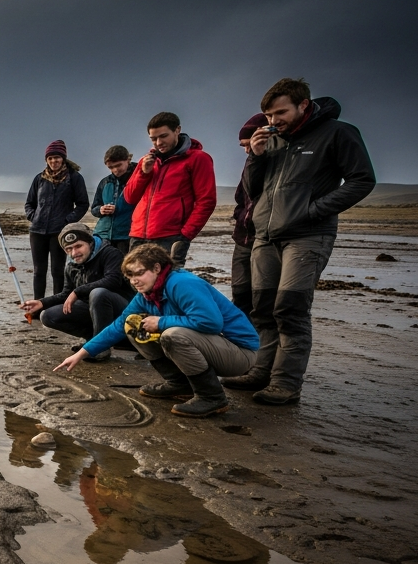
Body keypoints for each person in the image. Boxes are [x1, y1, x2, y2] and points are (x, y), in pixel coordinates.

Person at [231, 79, 375, 405]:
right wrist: (255, 156)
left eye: (280, 112)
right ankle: (259, 372)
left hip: (308, 236)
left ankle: (285, 384)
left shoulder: (338, 133)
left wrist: (315, 211)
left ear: (303, 105)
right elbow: (253, 191)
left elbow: (362, 179)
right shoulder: (273, 140)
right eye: (268, 114)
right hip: (266, 236)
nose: (272, 120)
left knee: (290, 309)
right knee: (262, 309)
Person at [55, 244, 259, 418]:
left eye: (139, 273)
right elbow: (120, 325)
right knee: (133, 326)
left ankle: (212, 397)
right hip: (212, 347)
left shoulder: (182, 283)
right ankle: (179, 384)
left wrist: (161, 322)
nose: (134, 281)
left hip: (239, 353)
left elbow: (211, 323)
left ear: (157, 268)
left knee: (173, 335)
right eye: (130, 276)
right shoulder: (147, 294)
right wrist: (83, 353)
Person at [19, 223, 133, 359]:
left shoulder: (110, 253)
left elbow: (113, 280)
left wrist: (77, 291)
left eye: (78, 246)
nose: (74, 253)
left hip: (125, 310)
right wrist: (42, 302)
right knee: (47, 316)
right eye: (68, 249)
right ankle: (93, 339)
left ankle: (101, 347)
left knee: (98, 293)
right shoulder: (72, 266)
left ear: (90, 242)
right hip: (95, 310)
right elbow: (66, 294)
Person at [124, 112, 216, 267]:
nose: (158, 142)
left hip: (170, 237)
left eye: (163, 136)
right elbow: (129, 198)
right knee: (137, 285)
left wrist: (185, 235)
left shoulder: (198, 158)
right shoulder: (146, 161)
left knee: (167, 285)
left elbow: (206, 201)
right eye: (153, 139)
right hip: (138, 235)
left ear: (177, 130)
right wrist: (143, 173)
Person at [25, 140, 90, 299]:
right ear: (46, 160)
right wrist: (34, 217)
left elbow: (82, 204)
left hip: (59, 233)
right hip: (37, 232)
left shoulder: (74, 178)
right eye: (50, 158)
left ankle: (56, 306)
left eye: (57, 158)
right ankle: (37, 306)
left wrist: (67, 221)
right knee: (39, 271)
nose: (54, 161)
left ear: (63, 158)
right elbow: (29, 203)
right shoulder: (39, 178)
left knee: (57, 270)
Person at [230, 113, 269, 315]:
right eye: (243, 146)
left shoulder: (276, 160)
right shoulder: (250, 161)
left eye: (249, 144)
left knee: (262, 296)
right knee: (240, 291)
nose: (247, 150)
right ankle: (240, 340)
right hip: (243, 236)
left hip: (265, 236)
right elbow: (242, 197)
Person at [89, 145, 135, 253]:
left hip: (127, 235)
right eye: (111, 167)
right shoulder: (105, 182)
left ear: (128, 160)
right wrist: (101, 210)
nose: (115, 170)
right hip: (103, 235)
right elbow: (94, 208)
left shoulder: (137, 180)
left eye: (118, 165)